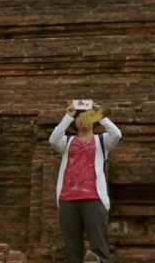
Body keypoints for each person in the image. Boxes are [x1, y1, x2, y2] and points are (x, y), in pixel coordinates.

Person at [48, 102, 122, 263]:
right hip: (68, 199)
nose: (82, 119)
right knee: (73, 250)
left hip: (93, 198)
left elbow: (117, 134)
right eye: (79, 117)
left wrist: (100, 114)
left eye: (86, 116)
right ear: (75, 123)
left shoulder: (102, 141)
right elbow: (53, 140)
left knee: (99, 247)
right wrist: (68, 116)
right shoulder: (67, 143)